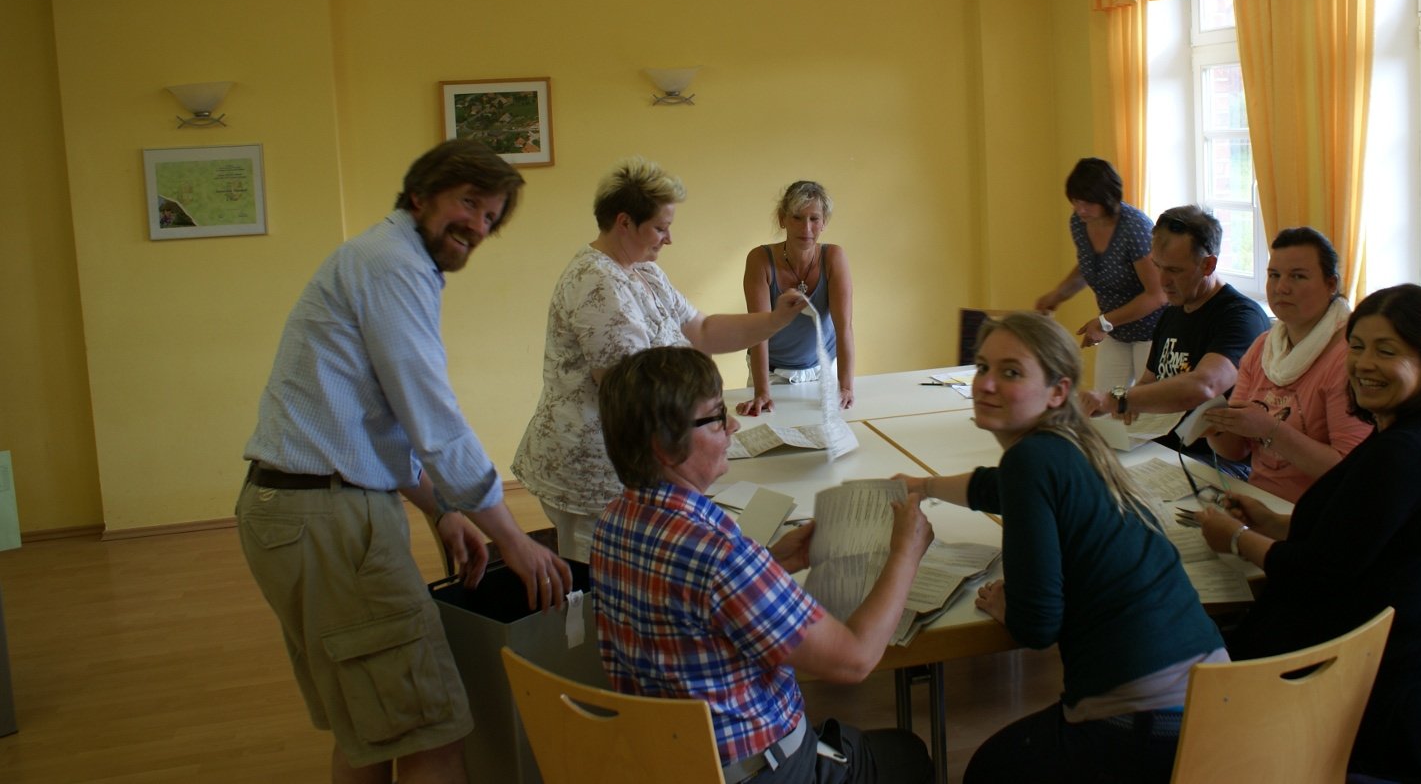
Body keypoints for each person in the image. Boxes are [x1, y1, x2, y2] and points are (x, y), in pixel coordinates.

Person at [238, 139, 571, 784]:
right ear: (419, 196)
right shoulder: (394, 266)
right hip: (331, 520)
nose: (478, 225)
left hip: (296, 510)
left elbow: (374, 421)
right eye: (469, 203)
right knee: (434, 732)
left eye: (491, 217)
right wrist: (511, 540)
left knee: (371, 730)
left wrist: (442, 510)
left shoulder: (378, 259)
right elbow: (434, 419)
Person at [896, 314, 1226, 784]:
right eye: (982, 366)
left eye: (1011, 372)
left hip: (1145, 725)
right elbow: (998, 488)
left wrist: (1005, 603)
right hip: (1214, 697)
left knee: (989, 770)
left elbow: (1037, 625)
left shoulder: (1030, 460)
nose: (986, 383)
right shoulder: (1072, 443)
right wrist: (922, 484)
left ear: (1056, 391)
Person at [591, 346, 935, 784]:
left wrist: (773, 561)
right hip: (757, 771)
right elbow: (854, 660)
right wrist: (906, 550)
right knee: (907, 756)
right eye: (715, 417)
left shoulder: (614, 521)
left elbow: (690, 603)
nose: (732, 425)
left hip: (671, 761)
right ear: (664, 447)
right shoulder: (718, 555)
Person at [1197, 284, 1421, 784]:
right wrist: (1273, 523)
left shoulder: (1400, 453)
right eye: (1356, 347)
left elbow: (1315, 571)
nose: (1364, 363)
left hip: (1388, 694)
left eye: (1387, 350)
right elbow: (1368, 532)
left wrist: (1236, 538)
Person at [512, 156, 808, 567]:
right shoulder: (597, 282)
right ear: (624, 222)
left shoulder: (642, 271)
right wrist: (711, 430)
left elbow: (702, 330)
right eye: (660, 227)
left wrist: (774, 321)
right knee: (603, 586)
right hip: (595, 471)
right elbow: (633, 393)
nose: (668, 239)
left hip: (631, 462)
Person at [1081, 205, 1269, 471]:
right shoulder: (1172, 313)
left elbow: (1204, 386)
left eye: (1175, 270)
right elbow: (1149, 382)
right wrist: (1115, 404)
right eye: (1158, 267)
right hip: (1165, 448)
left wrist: (1115, 399)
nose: (1162, 280)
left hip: (1216, 461)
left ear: (1208, 264)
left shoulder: (1241, 317)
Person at [1198, 227, 1371, 501]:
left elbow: (1349, 471)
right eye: (1274, 275)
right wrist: (1216, 427)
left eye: (1298, 276)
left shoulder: (1348, 357)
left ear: (1331, 285)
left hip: (1314, 514)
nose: (1281, 288)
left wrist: (1269, 429)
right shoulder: (1262, 348)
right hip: (1257, 499)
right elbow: (1237, 450)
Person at [1033, 158, 1167, 391]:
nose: (1080, 209)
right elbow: (1089, 267)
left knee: (1145, 415)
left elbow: (1157, 295)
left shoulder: (1134, 228)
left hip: (1152, 332)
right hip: (1115, 330)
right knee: (1104, 407)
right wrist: (1057, 296)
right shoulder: (1079, 222)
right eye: (1076, 201)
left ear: (1108, 199)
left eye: (1088, 203)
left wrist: (1104, 322)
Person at [737, 180, 856, 415]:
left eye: (814, 219)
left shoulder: (833, 257)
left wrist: (846, 388)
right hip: (772, 374)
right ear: (782, 219)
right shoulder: (760, 260)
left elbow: (844, 329)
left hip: (824, 368)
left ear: (824, 222)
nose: (807, 228)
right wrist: (762, 393)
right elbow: (758, 331)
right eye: (797, 218)